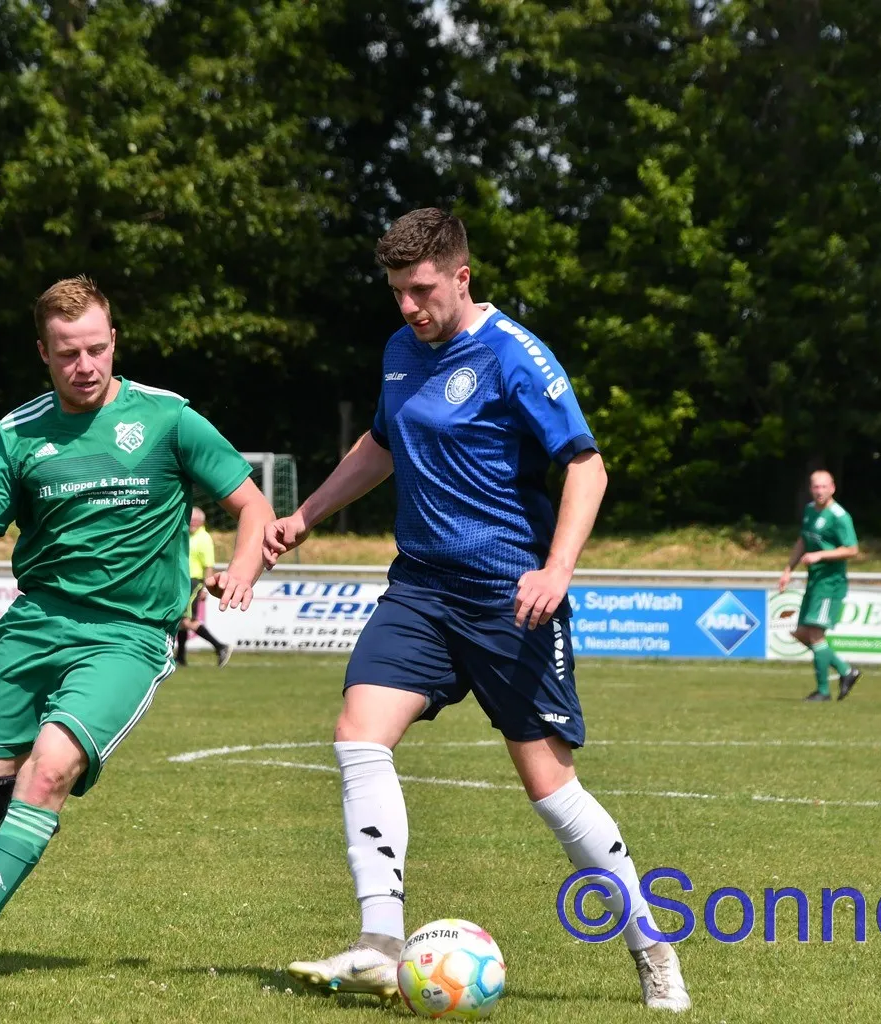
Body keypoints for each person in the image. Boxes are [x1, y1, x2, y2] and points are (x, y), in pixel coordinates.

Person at [266, 209, 690, 1011]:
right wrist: (307, 514)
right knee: (359, 733)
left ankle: (650, 944)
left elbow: (587, 467)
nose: (408, 307)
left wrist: (556, 569)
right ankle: (380, 943)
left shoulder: (514, 354)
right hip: (422, 590)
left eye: (422, 290)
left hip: (509, 598)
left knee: (550, 789)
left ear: (462, 278)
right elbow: (382, 444)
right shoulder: (400, 351)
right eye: (397, 292)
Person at [0, 276, 272, 985]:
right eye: (68, 353)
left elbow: (252, 504)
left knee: (48, 771)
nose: (85, 365)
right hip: (33, 627)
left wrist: (243, 567)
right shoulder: (17, 434)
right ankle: (29, 820)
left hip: (128, 635)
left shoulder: (168, 419)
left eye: (97, 348)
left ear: (114, 341)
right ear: (44, 352)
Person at [777, 470, 862, 701]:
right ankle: (845, 670)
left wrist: (820, 555)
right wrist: (788, 569)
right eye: (816, 487)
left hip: (830, 583)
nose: (820, 491)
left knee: (815, 633)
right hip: (814, 581)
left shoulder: (839, 516)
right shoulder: (809, 511)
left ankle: (823, 691)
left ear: (832, 488)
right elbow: (803, 540)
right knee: (801, 633)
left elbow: (852, 549)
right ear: (810, 489)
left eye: (824, 487)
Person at [177, 507, 233, 667]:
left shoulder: (204, 538)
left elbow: (208, 565)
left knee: (186, 620)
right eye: (190, 520)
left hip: (194, 581)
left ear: (202, 522)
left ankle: (220, 646)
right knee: (182, 620)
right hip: (184, 581)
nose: (192, 523)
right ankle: (180, 657)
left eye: (195, 521)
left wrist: (205, 588)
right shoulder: (187, 535)